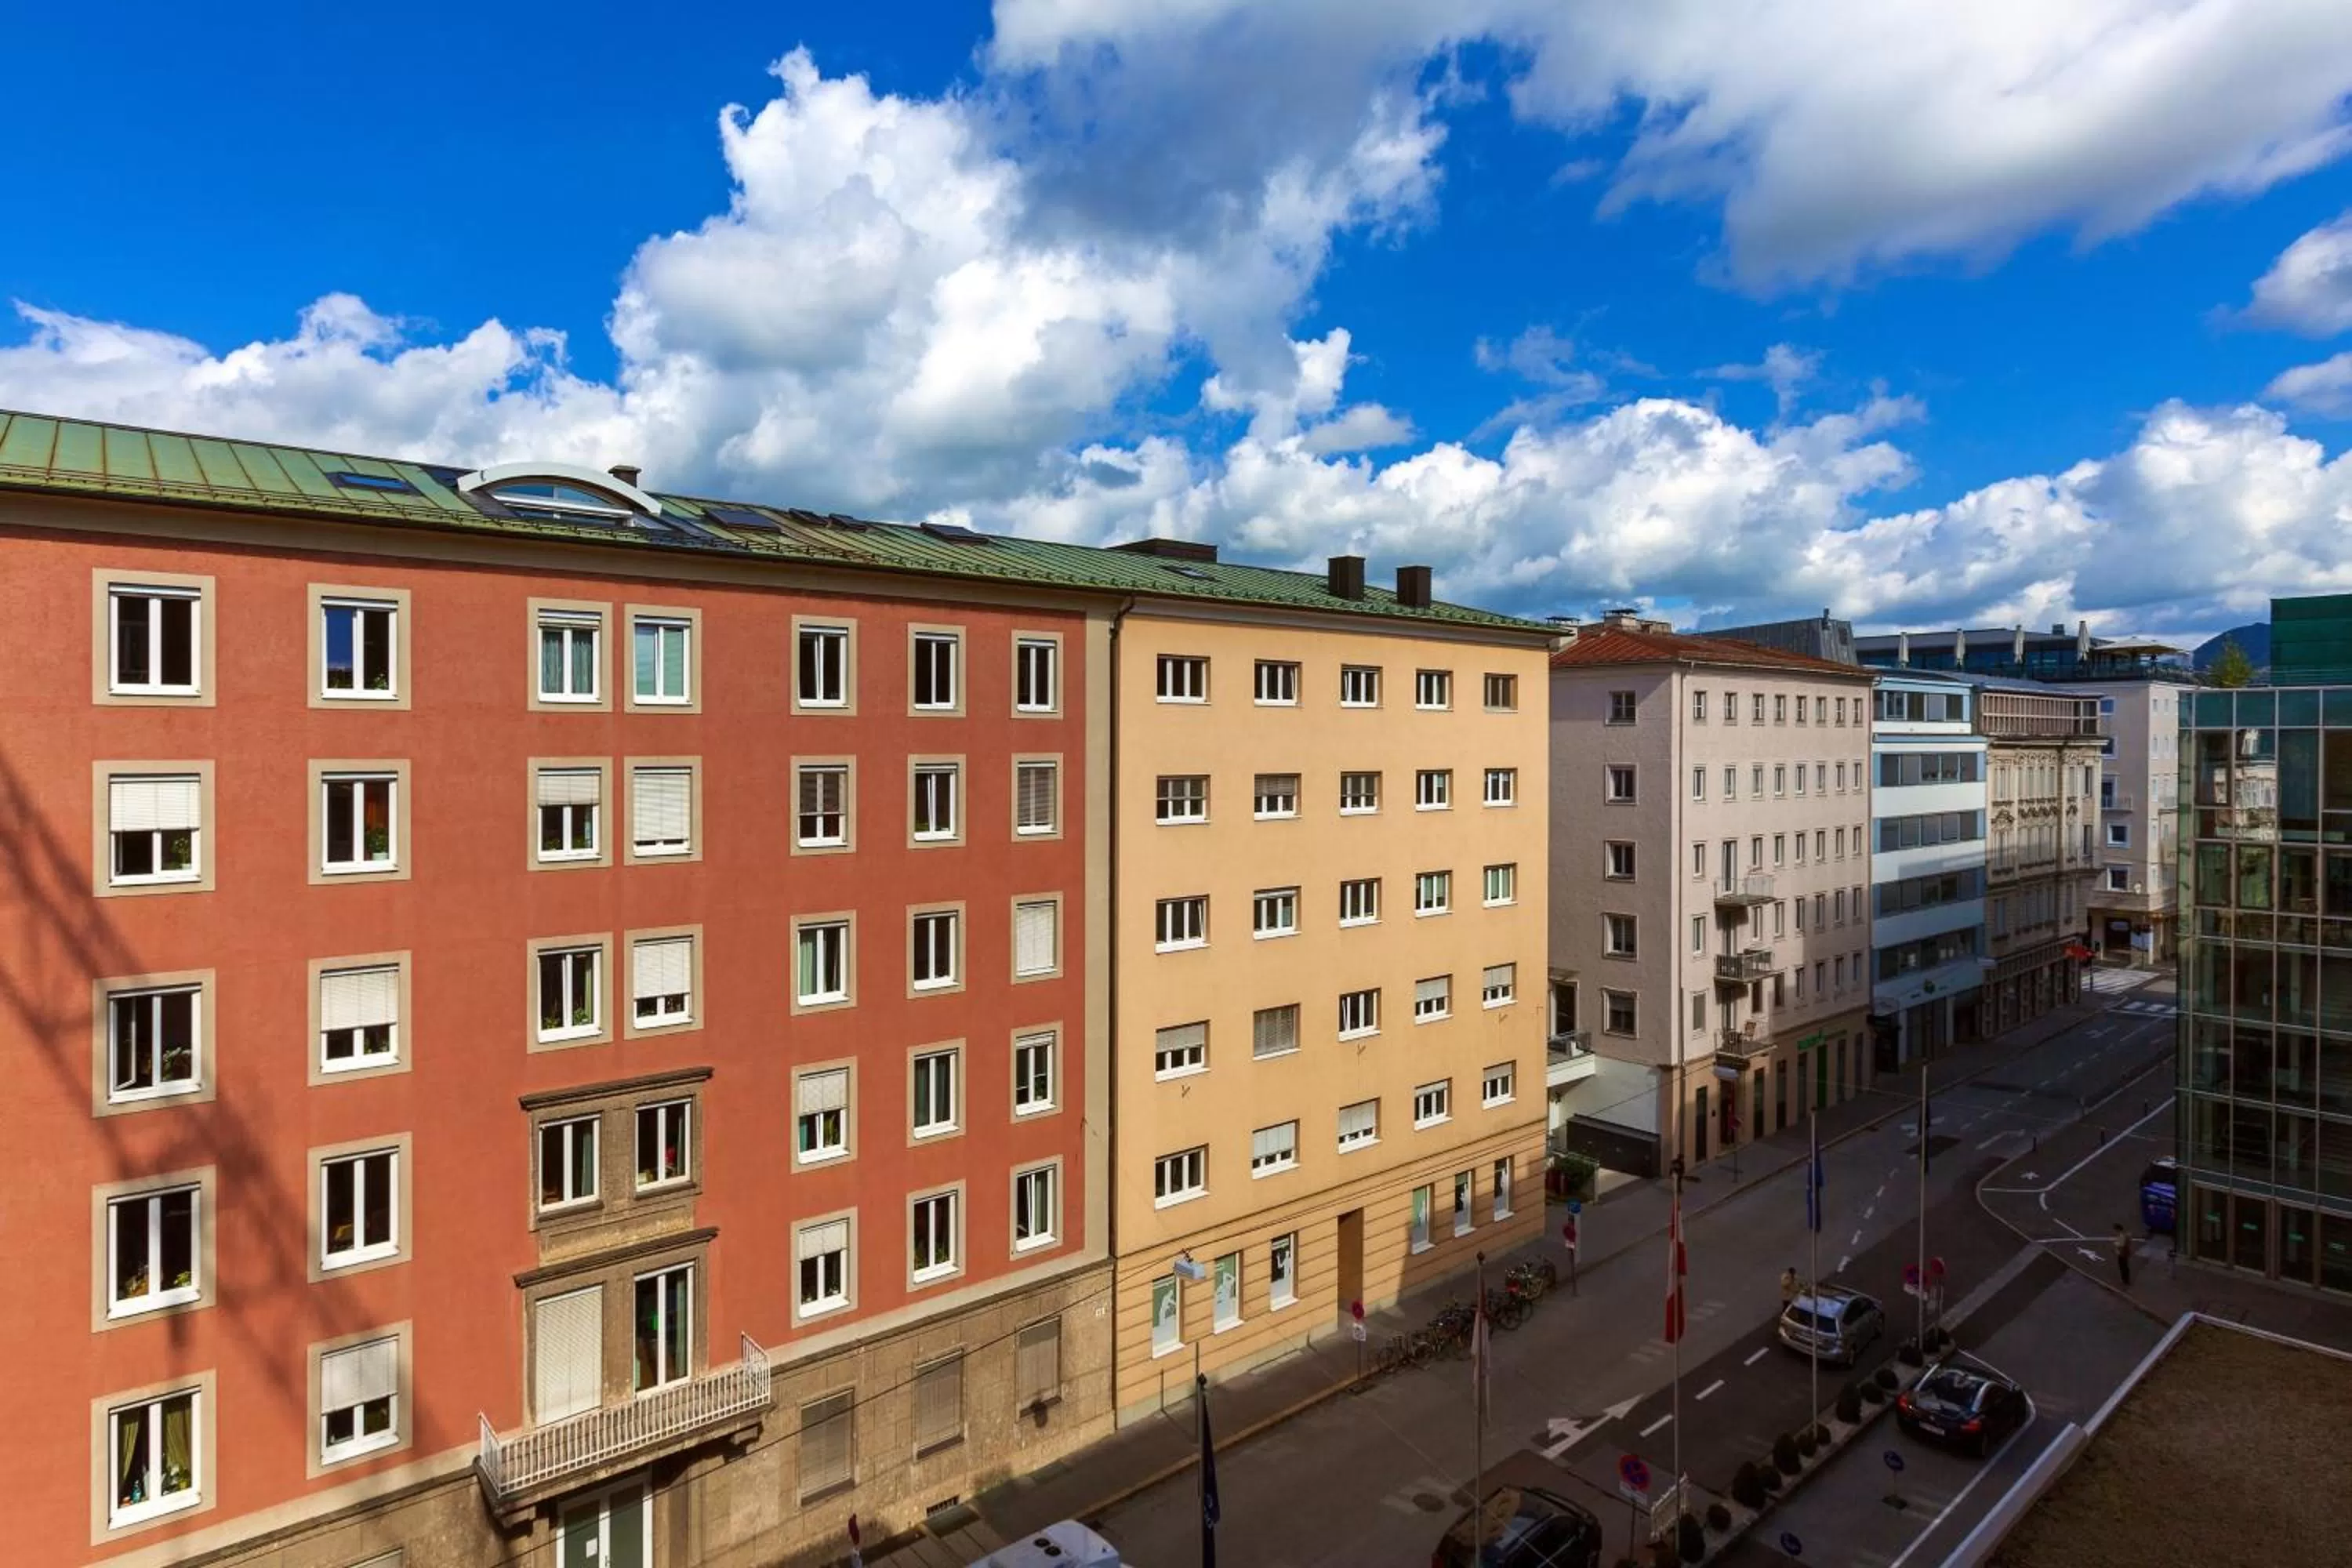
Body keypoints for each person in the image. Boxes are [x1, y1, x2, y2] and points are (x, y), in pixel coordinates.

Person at [2112, 1223, 2132, 1288]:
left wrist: (2116, 1244)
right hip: (2123, 1254)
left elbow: (2121, 1245)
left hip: (2122, 1254)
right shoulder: (2123, 1235)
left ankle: (2125, 1281)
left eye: (2115, 1230)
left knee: (2123, 1267)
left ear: (2118, 1229)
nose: (2114, 1231)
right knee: (2124, 1267)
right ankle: (2125, 1280)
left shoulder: (2121, 1236)